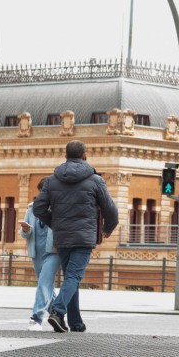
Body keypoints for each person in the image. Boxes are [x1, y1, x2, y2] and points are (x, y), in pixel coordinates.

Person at [32, 140, 117, 333]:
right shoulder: (96, 180)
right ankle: (58, 311)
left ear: (65, 156)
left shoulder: (52, 180)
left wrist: (55, 223)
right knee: (73, 276)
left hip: (62, 237)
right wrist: (108, 228)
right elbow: (111, 209)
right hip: (84, 236)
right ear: (85, 156)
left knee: (71, 277)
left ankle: (75, 323)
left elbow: (38, 208)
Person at [20, 179, 59, 331]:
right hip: (36, 252)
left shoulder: (58, 208)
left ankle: (36, 319)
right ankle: (59, 317)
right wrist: (25, 230)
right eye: (42, 191)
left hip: (53, 252)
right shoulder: (31, 208)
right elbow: (25, 234)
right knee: (46, 286)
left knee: (43, 284)